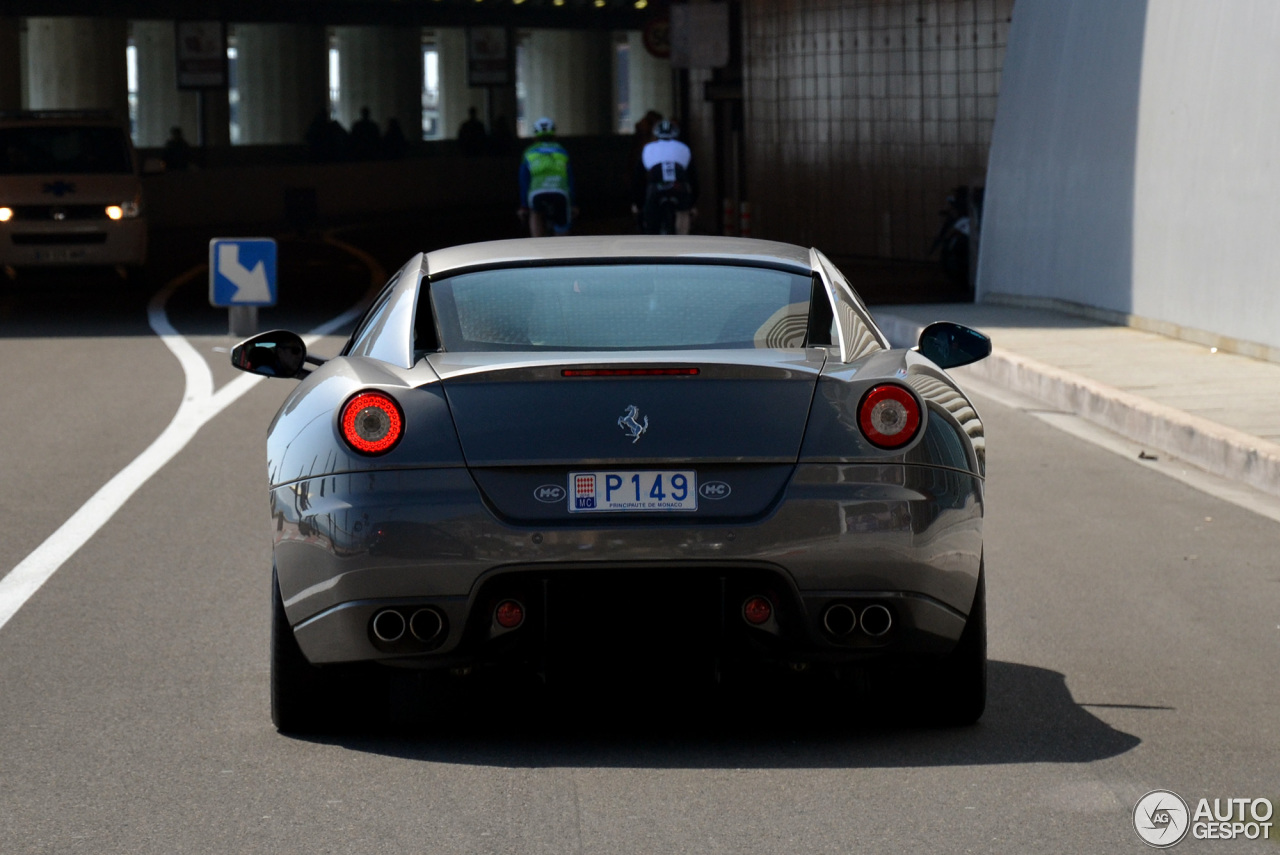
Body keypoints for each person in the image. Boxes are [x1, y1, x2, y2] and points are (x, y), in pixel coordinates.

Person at [633, 119, 699, 235]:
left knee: (650, 221)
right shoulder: (684, 148)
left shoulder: (648, 148)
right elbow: (693, 178)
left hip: (656, 189)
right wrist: (692, 204)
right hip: (679, 188)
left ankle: (651, 237)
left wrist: (638, 204)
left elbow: (638, 179)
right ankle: (683, 236)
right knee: (683, 217)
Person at [517, 117, 576, 237]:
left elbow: (524, 181)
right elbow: (570, 180)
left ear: (535, 137)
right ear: (554, 135)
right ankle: (562, 248)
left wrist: (523, 206)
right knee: (562, 230)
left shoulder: (529, 152)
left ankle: (538, 242)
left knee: (535, 213)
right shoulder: (562, 151)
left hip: (537, 194)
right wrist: (573, 204)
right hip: (560, 193)